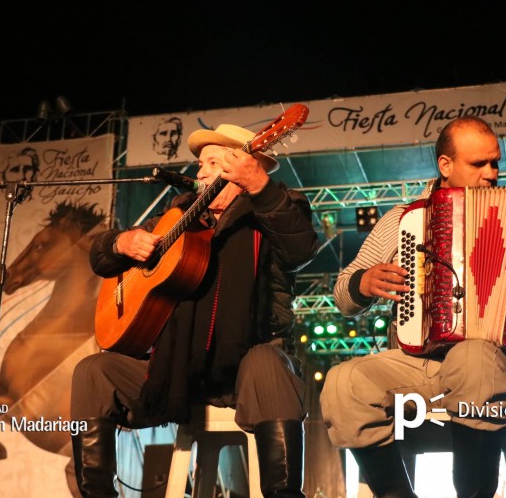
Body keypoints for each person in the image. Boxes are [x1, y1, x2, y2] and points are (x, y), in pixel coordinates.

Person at [320, 117, 506, 498]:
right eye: (478, 164)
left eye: (495, 163)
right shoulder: (403, 219)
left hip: (494, 361)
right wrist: (363, 281)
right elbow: (342, 294)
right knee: (344, 383)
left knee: (471, 360)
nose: (492, 174)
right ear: (445, 166)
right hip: (416, 364)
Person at [70, 123, 319, 498]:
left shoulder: (276, 207)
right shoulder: (178, 217)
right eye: (199, 164)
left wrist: (262, 189)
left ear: (241, 168)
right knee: (93, 371)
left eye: (212, 162)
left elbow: (301, 248)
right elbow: (101, 259)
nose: (199, 172)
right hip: (176, 371)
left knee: (270, 364)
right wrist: (120, 242)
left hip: (246, 370)